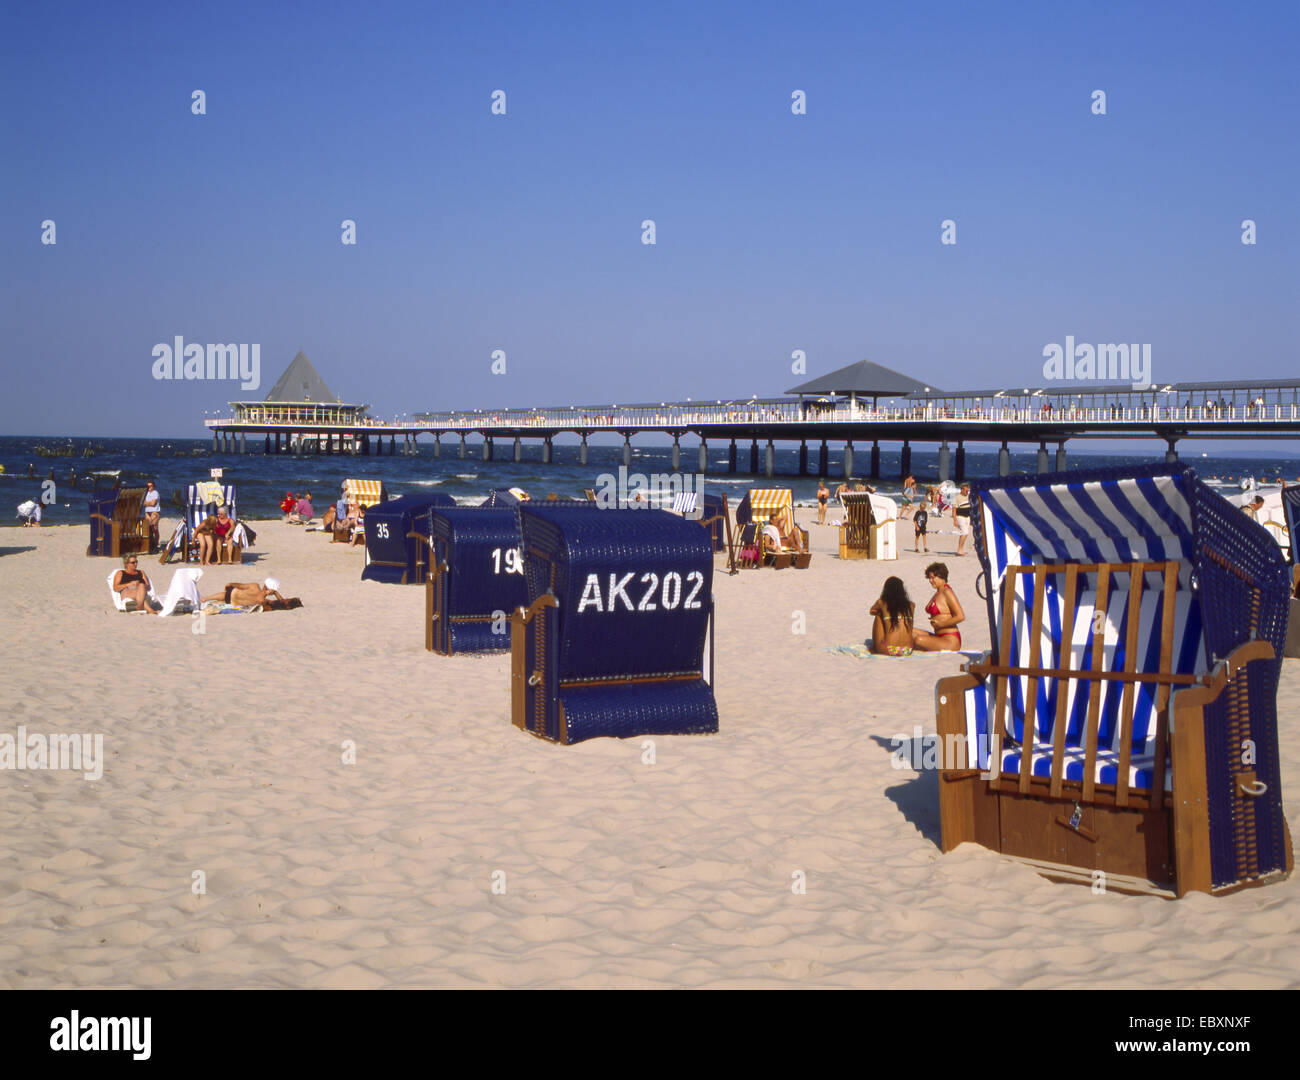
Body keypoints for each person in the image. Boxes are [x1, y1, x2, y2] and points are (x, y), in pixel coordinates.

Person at [913, 562, 965, 652]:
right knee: (909, 631)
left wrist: (940, 624)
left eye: (933, 578)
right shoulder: (938, 592)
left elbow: (960, 616)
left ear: (942, 576)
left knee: (919, 640)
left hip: (950, 639)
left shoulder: (947, 592)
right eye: (929, 578)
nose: (930, 580)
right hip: (938, 636)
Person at [869, 576, 915, 656]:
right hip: (908, 650)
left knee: (879, 615)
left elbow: (871, 611)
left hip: (888, 649)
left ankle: (874, 647)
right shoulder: (911, 605)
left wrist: (883, 612)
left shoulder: (882, 602)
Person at [201, 577, 295, 609]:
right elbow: (282, 603)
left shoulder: (255, 586)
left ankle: (205, 599)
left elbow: (241, 585)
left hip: (233, 595)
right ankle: (205, 602)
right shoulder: (262, 600)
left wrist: (231, 583)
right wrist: (275, 593)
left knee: (224, 595)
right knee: (222, 601)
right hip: (233, 603)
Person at [952, 483, 972, 556]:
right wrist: (955, 520)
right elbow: (954, 510)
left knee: (966, 533)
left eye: (968, 490)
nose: (967, 492)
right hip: (960, 516)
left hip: (968, 517)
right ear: (962, 489)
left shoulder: (969, 496)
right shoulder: (957, 498)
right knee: (965, 532)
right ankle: (959, 550)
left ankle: (961, 549)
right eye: (966, 490)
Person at [142, 480, 161, 552]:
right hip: (147, 512)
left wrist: (147, 503)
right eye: (148, 486)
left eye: (150, 486)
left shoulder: (155, 493)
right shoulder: (145, 493)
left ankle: (155, 546)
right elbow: (142, 503)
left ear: (153, 486)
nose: (149, 487)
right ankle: (151, 545)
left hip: (154, 512)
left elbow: (153, 503)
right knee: (149, 529)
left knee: (154, 529)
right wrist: (148, 503)